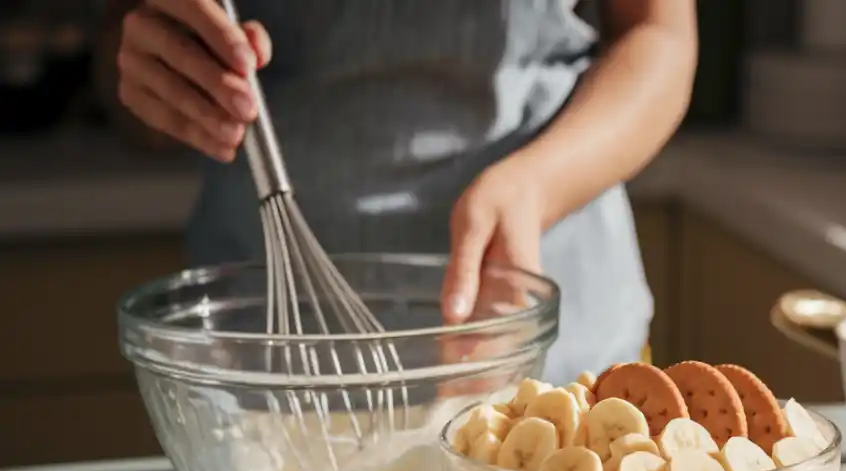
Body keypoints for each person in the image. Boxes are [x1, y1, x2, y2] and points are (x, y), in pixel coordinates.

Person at [99, 1, 698, 384]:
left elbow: (660, 33)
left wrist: (537, 186)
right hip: (260, 360)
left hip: (555, 345)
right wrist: (157, 75)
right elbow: (124, 60)